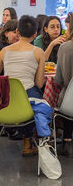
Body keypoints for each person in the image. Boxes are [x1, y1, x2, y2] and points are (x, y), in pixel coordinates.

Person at [0, 15, 45, 156]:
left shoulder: (4, 51)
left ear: (17, 31)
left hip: (5, 101)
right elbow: (40, 83)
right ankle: (28, 143)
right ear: (35, 35)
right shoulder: (38, 52)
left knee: (29, 98)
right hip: (26, 102)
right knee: (36, 98)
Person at [55, 14, 73, 157]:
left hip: (69, 101)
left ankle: (67, 140)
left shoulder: (64, 47)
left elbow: (58, 80)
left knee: (67, 94)